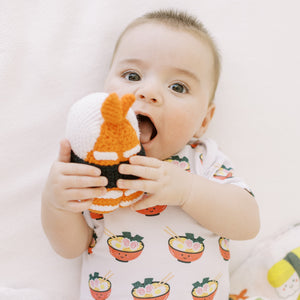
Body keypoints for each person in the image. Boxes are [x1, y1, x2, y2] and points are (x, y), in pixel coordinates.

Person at [41, 9, 260, 299]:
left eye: (178, 87)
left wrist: (187, 190)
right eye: (132, 75)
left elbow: (248, 223)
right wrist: (57, 204)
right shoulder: (94, 165)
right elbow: (70, 248)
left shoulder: (202, 160)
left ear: (204, 121)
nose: (148, 91)